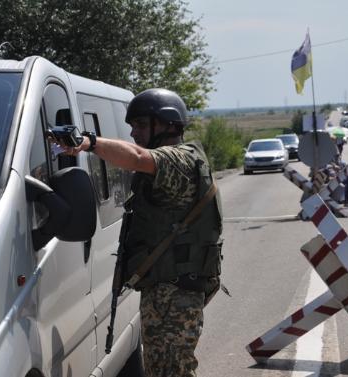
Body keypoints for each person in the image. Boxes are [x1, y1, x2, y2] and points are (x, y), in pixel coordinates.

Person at [54, 88, 223, 377]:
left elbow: (136, 156)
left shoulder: (177, 161)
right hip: (168, 290)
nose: (134, 133)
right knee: (163, 370)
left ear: (169, 125)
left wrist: (87, 142)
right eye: (133, 127)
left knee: (172, 371)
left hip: (176, 292)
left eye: (142, 125)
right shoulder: (176, 160)